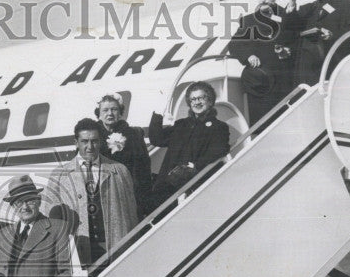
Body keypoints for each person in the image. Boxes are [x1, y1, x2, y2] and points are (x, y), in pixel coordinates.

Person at [46, 118, 138, 264]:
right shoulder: (59, 175)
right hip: (78, 252)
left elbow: (132, 214)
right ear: (76, 142)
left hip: (115, 249)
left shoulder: (120, 170)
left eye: (94, 141)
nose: (90, 147)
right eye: (84, 141)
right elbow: (49, 218)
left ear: (100, 141)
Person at [147, 81, 230, 210]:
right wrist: (158, 115)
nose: (196, 102)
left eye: (201, 98)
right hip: (167, 187)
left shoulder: (219, 127)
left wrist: (195, 166)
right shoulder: (181, 125)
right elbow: (157, 139)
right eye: (193, 99)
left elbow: (219, 150)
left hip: (193, 185)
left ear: (210, 100)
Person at [226, 0, 297, 124]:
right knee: (261, 127)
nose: (263, 0)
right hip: (260, 85)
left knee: (286, 125)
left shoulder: (288, 16)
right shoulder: (248, 21)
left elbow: (297, 43)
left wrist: (287, 51)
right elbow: (233, 46)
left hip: (284, 84)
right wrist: (248, 56)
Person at [282, 0, 350, 84]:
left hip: (334, 67)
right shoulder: (307, 9)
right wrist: (292, 1)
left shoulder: (349, 5)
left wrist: (332, 35)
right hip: (308, 72)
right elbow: (289, 27)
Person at [96, 94, 152, 219]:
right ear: (99, 113)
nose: (110, 113)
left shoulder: (133, 134)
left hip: (129, 192)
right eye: (105, 110)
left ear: (120, 112)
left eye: (114, 109)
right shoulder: (93, 136)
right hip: (103, 194)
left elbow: (143, 168)